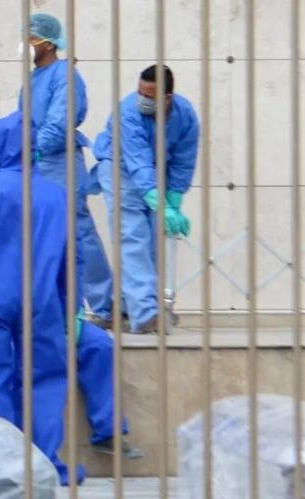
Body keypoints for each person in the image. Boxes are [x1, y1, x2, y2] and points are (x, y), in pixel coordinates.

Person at [0, 113, 141, 487]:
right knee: (45, 379)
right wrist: (72, 306)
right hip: (42, 300)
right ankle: (44, 463)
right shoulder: (56, 195)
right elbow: (73, 256)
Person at [17, 14, 114, 329]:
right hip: (35, 163)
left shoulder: (65, 75)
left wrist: (35, 147)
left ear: (48, 42)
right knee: (39, 234)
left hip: (59, 162)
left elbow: (60, 120)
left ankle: (105, 306)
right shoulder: (31, 80)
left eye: (31, 38)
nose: (27, 44)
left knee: (77, 232)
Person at [90, 65, 199, 333]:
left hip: (153, 172)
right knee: (132, 237)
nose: (142, 99)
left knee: (151, 242)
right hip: (120, 168)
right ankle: (147, 314)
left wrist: (173, 202)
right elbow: (137, 161)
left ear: (167, 97)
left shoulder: (186, 118)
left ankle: (124, 308)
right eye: (140, 92)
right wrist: (157, 199)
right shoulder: (129, 111)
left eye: (149, 95)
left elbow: (183, 162)